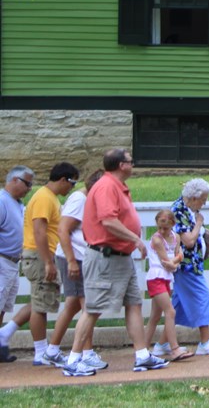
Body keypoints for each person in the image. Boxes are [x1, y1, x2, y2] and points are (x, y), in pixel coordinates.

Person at [62, 148, 169, 376]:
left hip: (121, 258)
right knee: (92, 308)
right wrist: (136, 240)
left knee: (134, 303)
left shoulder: (118, 186)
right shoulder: (106, 186)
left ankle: (142, 356)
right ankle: (73, 360)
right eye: (130, 161)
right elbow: (108, 221)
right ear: (122, 165)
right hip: (105, 257)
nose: (133, 164)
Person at [3, 162, 78, 368]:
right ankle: (41, 352)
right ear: (63, 179)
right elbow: (39, 232)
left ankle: (6, 333)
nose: (72, 188)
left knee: (40, 300)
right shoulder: (44, 198)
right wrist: (48, 262)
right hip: (39, 255)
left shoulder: (48, 198)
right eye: (72, 183)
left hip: (38, 255)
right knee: (40, 306)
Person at [49, 169, 105, 369]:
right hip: (75, 258)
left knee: (73, 304)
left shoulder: (85, 199)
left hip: (81, 257)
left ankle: (52, 349)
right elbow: (63, 230)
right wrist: (72, 261)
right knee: (88, 306)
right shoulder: (79, 200)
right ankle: (85, 353)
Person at [171, 177, 209, 356]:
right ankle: (205, 341)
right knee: (202, 297)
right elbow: (187, 240)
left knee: (176, 305)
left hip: (192, 263)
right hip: (186, 265)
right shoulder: (179, 211)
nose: (205, 202)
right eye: (203, 199)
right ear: (194, 198)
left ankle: (163, 343)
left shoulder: (189, 210)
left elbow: (195, 231)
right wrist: (200, 223)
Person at [144, 209, 192, 362]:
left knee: (155, 316)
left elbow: (180, 255)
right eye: (159, 227)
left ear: (172, 225)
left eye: (165, 228)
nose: (162, 230)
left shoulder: (176, 237)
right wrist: (175, 262)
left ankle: (142, 350)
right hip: (156, 277)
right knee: (170, 311)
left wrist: (175, 261)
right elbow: (166, 262)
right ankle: (175, 349)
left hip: (167, 278)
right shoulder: (157, 240)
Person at [0, 166, 34, 364]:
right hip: (2, 259)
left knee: (3, 306)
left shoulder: (17, 203)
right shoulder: (2, 201)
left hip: (12, 262)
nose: (30, 188)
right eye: (27, 183)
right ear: (14, 180)